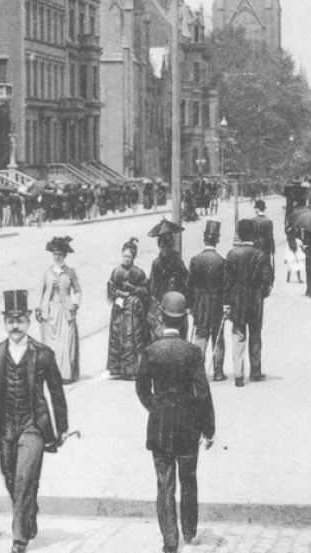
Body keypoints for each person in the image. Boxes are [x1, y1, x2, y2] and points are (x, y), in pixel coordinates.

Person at [0, 290, 71, 553]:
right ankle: (29, 512)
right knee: (9, 476)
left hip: (34, 425)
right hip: (5, 427)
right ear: (5, 323)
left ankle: (19, 538)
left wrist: (61, 427)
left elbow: (56, 392)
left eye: (19, 320)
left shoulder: (43, 354)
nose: (15, 326)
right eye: (10, 321)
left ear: (29, 322)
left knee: (24, 477)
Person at [136, 292, 216, 553]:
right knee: (189, 479)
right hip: (188, 426)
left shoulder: (150, 351)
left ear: (161, 318)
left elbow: (141, 389)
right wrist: (208, 428)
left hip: (159, 426)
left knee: (165, 483)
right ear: (184, 321)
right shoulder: (192, 352)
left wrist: (155, 408)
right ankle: (190, 530)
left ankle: (170, 540)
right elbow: (203, 392)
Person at [225, 218, 275, 386]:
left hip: (237, 299)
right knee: (255, 335)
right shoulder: (260, 254)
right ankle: (256, 372)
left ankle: (238, 376)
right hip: (255, 299)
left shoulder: (232, 254)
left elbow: (227, 282)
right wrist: (263, 292)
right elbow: (268, 278)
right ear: (253, 234)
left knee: (238, 336)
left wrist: (227, 302)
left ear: (239, 234)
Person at [36, 236, 81, 383]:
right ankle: (50, 374)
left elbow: (78, 290)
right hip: (50, 311)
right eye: (55, 254)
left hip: (65, 311)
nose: (57, 257)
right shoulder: (47, 272)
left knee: (65, 343)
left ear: (64, 256)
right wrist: (38, 308)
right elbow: (40, 291)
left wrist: (75, 303)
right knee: (50, 343)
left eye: (60, 254)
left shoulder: (70, 272)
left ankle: (65, 374)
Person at [106, 239, 151, 379]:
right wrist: (116, 294)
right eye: (124, 256)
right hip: (119, 310)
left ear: (133, 258)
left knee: (132, 338)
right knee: (117, 337)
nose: (126, 259)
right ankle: (118, 369)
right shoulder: (116, 271)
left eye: (129, 257)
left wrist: (134, 289)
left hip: (134, 310)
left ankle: (132, 370)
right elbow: (110, 289)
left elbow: (146, 290)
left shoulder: (138, 272)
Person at [188, 220, 226, 380]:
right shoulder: (221, 261)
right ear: (217, 239)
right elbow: (225, 286)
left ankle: (199, 372)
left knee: (201, 335)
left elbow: (189, 285)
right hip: (216, 302)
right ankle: (217, 372)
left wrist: (191, 305)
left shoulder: (195, 260)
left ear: (204, 239)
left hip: (200, 303)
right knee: (218, 337)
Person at [251, 199, 277, 271]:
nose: (255, 210)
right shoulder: (268, 221)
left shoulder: (253, 220)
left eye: (255, 208)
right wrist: (272, 249)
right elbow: (271, 237)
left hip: (255, 247)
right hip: (266, 248)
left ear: (258, 209)